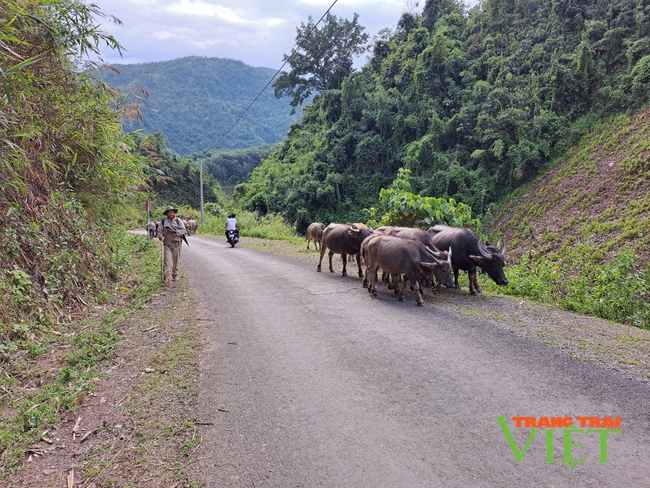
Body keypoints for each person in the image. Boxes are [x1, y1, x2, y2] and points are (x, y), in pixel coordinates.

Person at [159, 206, 186, 282]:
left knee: (176, 261)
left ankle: (175, 275)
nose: (170, 213)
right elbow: (159, 231)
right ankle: (166, 276)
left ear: (174, 213)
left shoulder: (178, 220)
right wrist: (160, 236)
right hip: (167, 243)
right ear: (167, 213)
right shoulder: (163, 221)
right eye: (169, 212)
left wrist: (175, 231)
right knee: (167, 261)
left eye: (172, 212)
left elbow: (184, 230)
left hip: (177, 243)